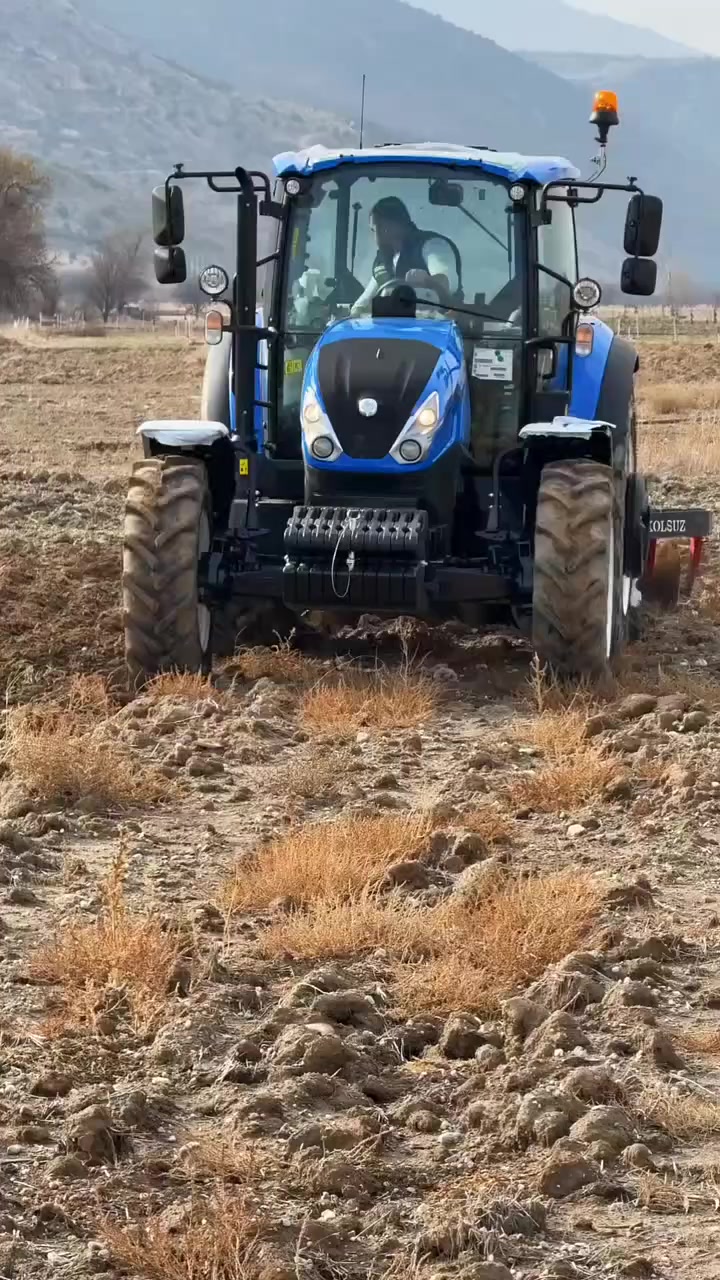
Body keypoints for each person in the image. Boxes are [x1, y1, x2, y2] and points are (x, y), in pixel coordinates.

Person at [351, 196, 457, 315]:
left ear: (390, 226)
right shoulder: (382, 263)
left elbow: (446, 283)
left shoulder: (432, 245)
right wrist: (355, 312)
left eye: (374, 229)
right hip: (391, 330)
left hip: (435, 328)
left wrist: (427, 280)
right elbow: (364, 301)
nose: (374, 236)